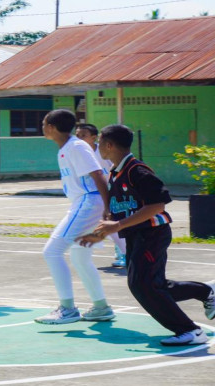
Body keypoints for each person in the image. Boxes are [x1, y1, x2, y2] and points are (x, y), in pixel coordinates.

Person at [79, 124, 215, 346]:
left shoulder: (137, 171)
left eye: (100, 143)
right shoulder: (116, 172)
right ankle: (205, 291)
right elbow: (123, 210)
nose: (98, 147)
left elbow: (157, 206)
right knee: (149, 285)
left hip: (153, 233)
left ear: (109, 145)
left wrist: (117, 225)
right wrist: (102, 232)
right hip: (137, 234)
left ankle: (190, 330)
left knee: (144, 285)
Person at [34, 109, 115, 325]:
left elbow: (98, 174)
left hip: (88, 202)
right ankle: (101, 307)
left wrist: (108, 207)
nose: (42, 127)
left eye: (43, 123)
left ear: (50, 127)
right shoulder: (67, 148)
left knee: (52, 251)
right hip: (84, 202)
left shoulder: (76, 147)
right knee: (80, 257)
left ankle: (67, 309)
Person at [75, 123, 126, 268]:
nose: (79, 139)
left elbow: (116, 166)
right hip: (96, 194)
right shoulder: (79, 153)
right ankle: (122, 252)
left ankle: (125, 253)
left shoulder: (103, 151)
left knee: (113, 222)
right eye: (77, 136)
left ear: (94, 137)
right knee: (105, 223)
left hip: (113, 190)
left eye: (83, 135)